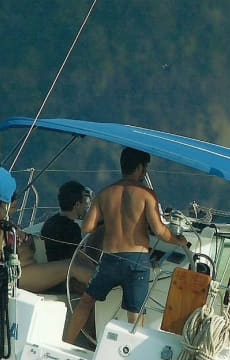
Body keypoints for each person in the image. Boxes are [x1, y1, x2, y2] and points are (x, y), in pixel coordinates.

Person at [63, 147, 189, 344]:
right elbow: (159, 231)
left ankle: (67, 343)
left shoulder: (105, 194)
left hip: (110, 261)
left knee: (86, 302)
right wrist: (179, 241)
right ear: (140, 168)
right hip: (136, 262)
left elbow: (87, 227)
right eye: (145, 167)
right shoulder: (147, 195)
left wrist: (109, 220)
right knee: (135, 314)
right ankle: (131, 356)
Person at [0, 195, 95, 294]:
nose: (15, 209)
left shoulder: (9, 224)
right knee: (72, 267)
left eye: (15, 206)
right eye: (12, 206)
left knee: (78, 266)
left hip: (31, 268)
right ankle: (104, 286)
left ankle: (101, 288)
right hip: (20, 275)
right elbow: (0, 259)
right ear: (0, 206)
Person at [41, 181, 91, 262]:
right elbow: (82, 257)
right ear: (77, 204)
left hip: (52, 267)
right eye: (85, 202)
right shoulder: (72, 228)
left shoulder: (49, 222)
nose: (86, 206)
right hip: (67, 270)